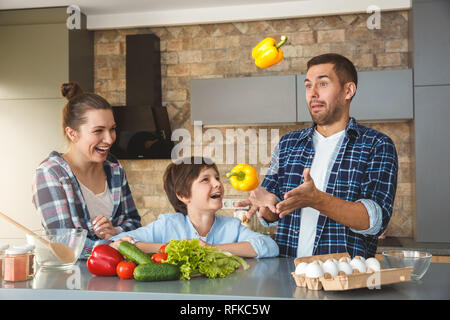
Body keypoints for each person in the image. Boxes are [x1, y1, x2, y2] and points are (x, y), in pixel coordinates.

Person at [237, 53, 398, 258]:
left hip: (345, 278)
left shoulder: (376, 145)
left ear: (348, 90)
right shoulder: (288, 144)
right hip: (287, 275)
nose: (312, 93)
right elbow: (271, 211)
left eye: (322, 84)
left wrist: (316, 200)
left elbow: (374, 221)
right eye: (307, 85)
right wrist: (266, 205)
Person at [32, 82, 141, 257]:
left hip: (115, 271)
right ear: (72, 133)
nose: (109, 139)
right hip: (71, 277)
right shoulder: (51, 173)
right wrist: (108, 243)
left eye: (112, 129)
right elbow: (63, 242)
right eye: (98, 131)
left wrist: (114, 231)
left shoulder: (114, 168)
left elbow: (134, 223)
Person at [110, 157, 279, 258]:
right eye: (205, 180)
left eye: (217, 178)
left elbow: (269, 247)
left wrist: (210, 250)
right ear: (183, 195)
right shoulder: (167, 225)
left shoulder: (231, 227)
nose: (218, 184)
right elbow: (115, 244)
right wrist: (172, 248)